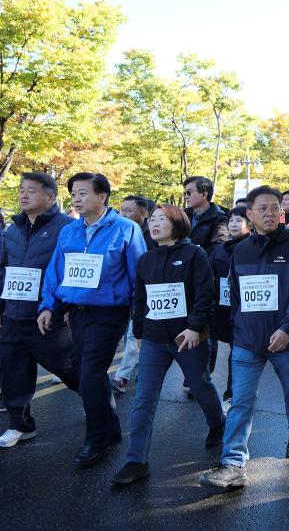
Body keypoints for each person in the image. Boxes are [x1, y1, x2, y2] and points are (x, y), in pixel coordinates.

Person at [199, 186, 289, 490]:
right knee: (241, 401)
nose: (269, 213)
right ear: (249, 214)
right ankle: (233, 463)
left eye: (274, 207)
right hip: (247, 341)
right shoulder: (241, 250)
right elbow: (235, 296)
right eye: (262, 208)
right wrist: (237, 329)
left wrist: (287, 329)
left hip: (285, 340)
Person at [37, 172, 147, 466]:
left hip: (109, 313)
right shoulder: (70, 231)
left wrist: (140, 318)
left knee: (90, 374)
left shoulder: (126, 229)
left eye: (83, 193)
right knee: (90, 373)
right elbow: (55, 272)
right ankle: (110, 428)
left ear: (102, 196)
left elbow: (139, 274)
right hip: (78, 313)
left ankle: (96, 440)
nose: (76, 198)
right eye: (73, 193)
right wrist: (49, 307)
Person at [111, 205, 225, 485]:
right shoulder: (146, 259)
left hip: (188, 337)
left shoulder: (194, 254)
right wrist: (138, 331)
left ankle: (217, 423)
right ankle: (136, 461)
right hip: (153, 337)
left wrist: (195, 327)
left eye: (162, 219)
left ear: (178, 224)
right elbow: (140, 298)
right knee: (144, 399)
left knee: (199, 385)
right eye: (152, 220)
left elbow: (205, 293)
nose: (154, 224)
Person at [0, 173, 79, 448]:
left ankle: (102, 409)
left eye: (31, 191)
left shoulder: (68, 227)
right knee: (13, 372)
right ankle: (20, 425)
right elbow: (3, 267)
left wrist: (64, 307)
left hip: (48, 316)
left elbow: (72, 272)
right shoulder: (12, 229)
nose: (23, 195)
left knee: (70, 370)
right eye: (21, 190)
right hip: (13, 315)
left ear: (50, 197)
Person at [111, 195, 157, 395]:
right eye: (122, 210)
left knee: (134, 335)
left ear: (144, 213)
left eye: (129, 210)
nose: (124, 214)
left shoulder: (155, 235)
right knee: (131, 336)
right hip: (126, 294)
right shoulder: (119, 232)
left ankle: (122, 376)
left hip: (151, 294)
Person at [208, 206, 253, 411]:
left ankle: (232, 394)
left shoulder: (256, 247)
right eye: (231, 221)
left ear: (250, 224)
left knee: (237, 353)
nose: (233, 225)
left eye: (239, 221)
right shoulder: (219, 249)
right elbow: (208, 277)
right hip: (222, 308)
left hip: (246, 310)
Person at [184, 176, 227, 384]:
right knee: (187, 324)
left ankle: (203, 375)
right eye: (185, 192)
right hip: (182, 280)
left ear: (204, 193)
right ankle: (192, 372)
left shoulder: (220, 218)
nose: (186, 196)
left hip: (207, 279)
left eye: (190, 192)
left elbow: (218, 249)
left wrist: (194, 258)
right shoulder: (184, 216)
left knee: (207, 328)